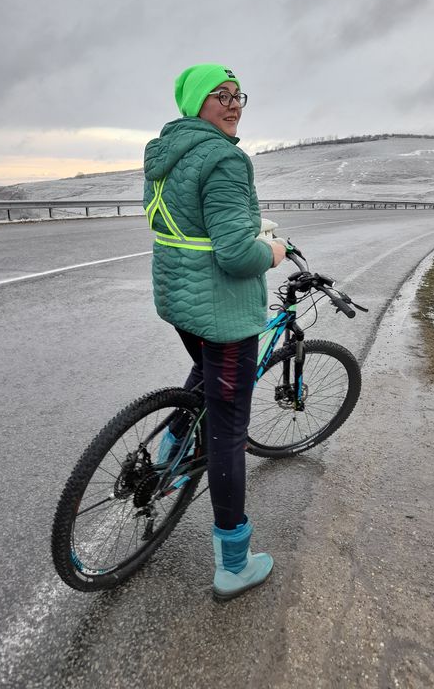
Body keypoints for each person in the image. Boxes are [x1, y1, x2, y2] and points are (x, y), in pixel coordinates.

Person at [143, 63, 285, 600]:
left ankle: (173, 447)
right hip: (223, 310)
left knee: (207, 373)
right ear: (196, 102)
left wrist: (246, 227)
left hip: (181, 300)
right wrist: (270, 250)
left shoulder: (167, 152)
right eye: (219, 95)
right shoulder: (226, 158)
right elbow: (234, 253)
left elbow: (198, 225)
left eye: (237, 94)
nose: (232, 103)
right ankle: (233, 562)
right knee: (228, 432)